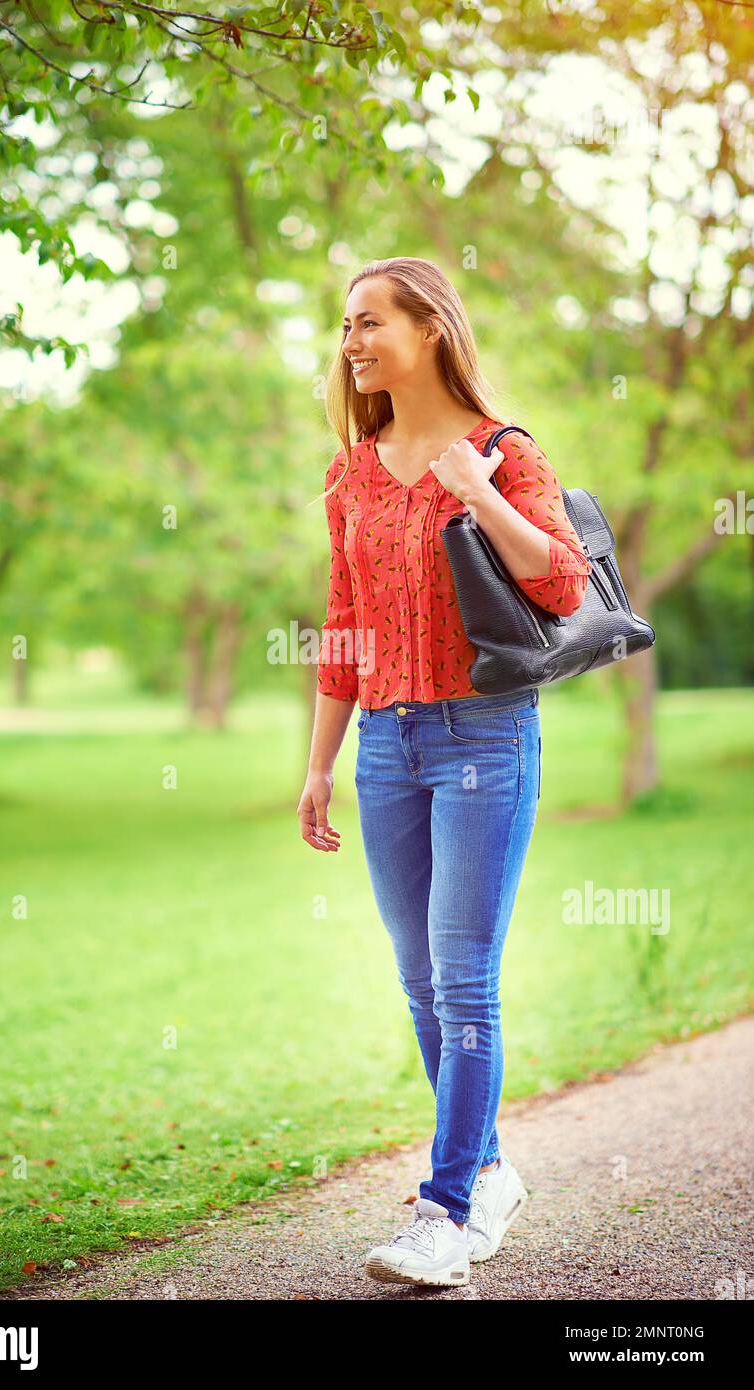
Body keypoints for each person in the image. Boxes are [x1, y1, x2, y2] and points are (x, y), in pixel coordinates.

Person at [297, 257, 590, 1288]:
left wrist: (479, 494)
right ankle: (491, 1171)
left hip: (484, 739)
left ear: (431, 326)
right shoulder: (351, 472)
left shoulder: (505, 452)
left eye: (371, 321)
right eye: (346, 326)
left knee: (464, 974)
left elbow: (560, 577)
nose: (354, 342)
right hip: (386, 747)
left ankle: (447, 1209)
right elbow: (343, 621)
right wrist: (319, 762)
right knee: (420, 979)